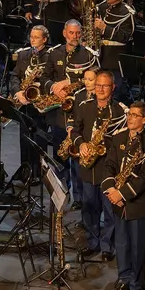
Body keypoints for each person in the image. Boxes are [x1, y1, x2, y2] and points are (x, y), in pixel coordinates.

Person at [102, 101, 145, 290]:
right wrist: (111, 190)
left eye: (136, 115)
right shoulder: (119, 137)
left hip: (138, 204)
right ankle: (124, 279)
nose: (130, 118)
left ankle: (136, 286)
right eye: (130, 114)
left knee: (137, 247)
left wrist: (122, 194)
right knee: (122, 244)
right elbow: (109, 165)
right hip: (117, 201)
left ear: (144, 120)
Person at [68, 70, 127, 260]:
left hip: (108, 170)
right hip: (87, 168)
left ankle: (107, 247)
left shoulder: (120, 111)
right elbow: (75, 130)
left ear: (113, 88)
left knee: (109, 211)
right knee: (89, 208)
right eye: (98, 85)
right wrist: (81, 144)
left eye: (105, 86)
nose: (101, 89)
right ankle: (92, 243)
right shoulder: (85, 107)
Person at [42, 20, 100, 195]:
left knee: (77, 156)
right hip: (58, 113)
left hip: (80, 112)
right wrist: (53, 87)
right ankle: (61, 191)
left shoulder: (89, 55)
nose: (75, 36)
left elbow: (97, 80)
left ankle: (79, 197)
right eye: (71, 33)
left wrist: (71, 82)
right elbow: (45, 77)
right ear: (64, 33)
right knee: (60, 154)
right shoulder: (54, 53)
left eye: (78, 33)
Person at [8, 25, 52, 170]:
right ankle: (26, 171)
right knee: (24, 138)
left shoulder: (51, 55)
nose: (32, 40)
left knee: (39, 139)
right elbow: (15, 76)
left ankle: (39, 172)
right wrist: (17, 92)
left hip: (41, 104)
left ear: (45, 39)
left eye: (36, 37)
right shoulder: (23, 54)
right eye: (31, 36)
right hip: (24, 102)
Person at [93, 0, 135, 100]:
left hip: (115, 59)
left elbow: (125, 37)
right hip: (100, 56)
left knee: (117, 93)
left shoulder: (127, 12)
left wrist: (105, 28)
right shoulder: (101, 7)